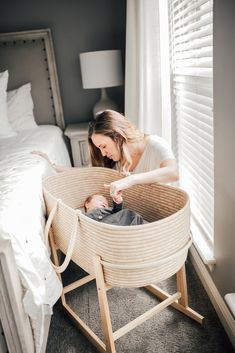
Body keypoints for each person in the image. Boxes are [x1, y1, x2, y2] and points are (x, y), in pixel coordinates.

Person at [88, 109, 179, 200]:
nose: (103, 154)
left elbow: (173, 173)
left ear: (118, 137)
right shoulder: (112, 161)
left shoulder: (155, 144)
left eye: (103, 146)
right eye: (99, 148)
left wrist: (131, 180)